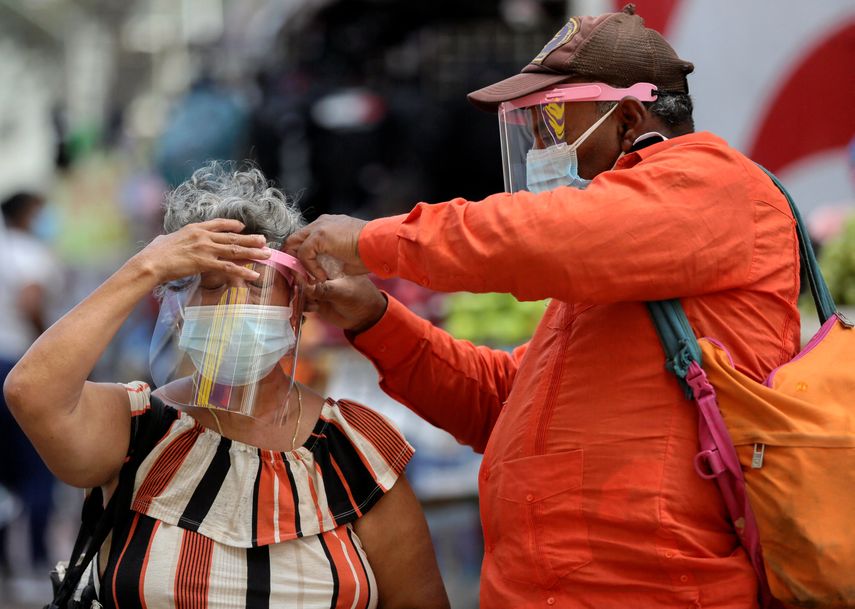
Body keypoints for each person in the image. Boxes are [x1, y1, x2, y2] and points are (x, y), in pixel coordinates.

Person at [285, 5, 801, 608]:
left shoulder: (711, 183)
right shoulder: (621, 246)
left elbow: (531, 236)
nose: (537, 143)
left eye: (551, 119)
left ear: (628, 117)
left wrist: (370, 239)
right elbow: (501, 402)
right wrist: (376, 319)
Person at [3, 163, 449, 609]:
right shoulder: (136, 429)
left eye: (257, 285)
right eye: (213, 285)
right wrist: (147, 265)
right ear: (180, 309)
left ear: (297, 306)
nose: (234, 302)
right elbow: (31, 393)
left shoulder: (354, 449)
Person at [0, 192, 63, 576]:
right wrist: (53, 345)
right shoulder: (30, 254)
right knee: (39, 469)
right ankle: (41, 565)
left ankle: (6, 564)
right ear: (26, 213)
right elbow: (30, 301)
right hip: (16, 365)